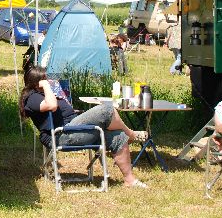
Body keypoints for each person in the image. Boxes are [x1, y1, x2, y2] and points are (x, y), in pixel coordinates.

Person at [19, 66, 148, 188]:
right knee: (107, 109)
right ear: (37, 83)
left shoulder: (42, 94)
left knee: (119, 137)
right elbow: (52, 106)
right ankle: (132, 135)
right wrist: (46, 86)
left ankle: (130, 180)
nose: (48, 80)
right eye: (45, 79)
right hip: (63, 135)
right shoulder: (32, 97)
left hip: (75, 130)